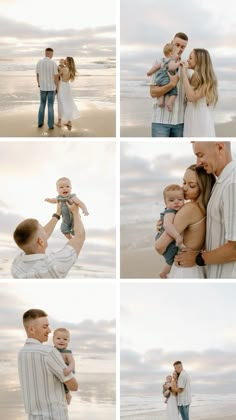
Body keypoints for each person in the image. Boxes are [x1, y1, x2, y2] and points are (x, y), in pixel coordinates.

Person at [175, 142, 236, 278]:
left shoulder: (232, 184)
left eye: (200, 155)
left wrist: (198, 258)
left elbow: (235, 248)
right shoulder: (221, 183)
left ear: (219, 147)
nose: (198, 163)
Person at [155, 164, 215, 278]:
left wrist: (163, 230)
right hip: (196, 268)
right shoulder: (204, 209)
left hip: (184, 269)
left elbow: (159, 246)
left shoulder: (189, 209)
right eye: (184, 182)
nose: (184, 188)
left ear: (203, 188)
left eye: (191, 185)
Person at [18, 309, 78, 420]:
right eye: (45, 327)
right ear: (31, 329)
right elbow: (74, 386)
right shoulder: (49, 352)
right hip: (54, 416)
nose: (49, 331)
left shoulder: (21, 353)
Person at [11, 201, 85, 278]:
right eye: (42, 228)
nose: (44, 229)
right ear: (41, 242)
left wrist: (57, 215)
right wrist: (75, 212)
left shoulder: (17, 263)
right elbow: (80, 237)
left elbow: (38, 237)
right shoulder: (53, 267)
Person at [150, 32, 188, 137]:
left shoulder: (186, 67)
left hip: (180, 122)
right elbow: (153, 92)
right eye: (177, 45)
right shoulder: (159, 63)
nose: (180, 49)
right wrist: (171, 85)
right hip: (160, 122)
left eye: (183, 47)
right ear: (171, 43)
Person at [181, 49, 218, 137]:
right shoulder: (201, 77)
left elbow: (191, 97)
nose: (187, 60)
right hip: (197, 115)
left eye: (190, 58)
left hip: (198, 116)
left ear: (199, 61)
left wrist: (184, 73)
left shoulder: (201, 78)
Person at [155, 184, 185, 278]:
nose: (176, 202)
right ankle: (163, 274)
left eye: (180, 199)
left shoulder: (176, 210)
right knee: (171, 260)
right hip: (168, 244)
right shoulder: (170, 212)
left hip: (167, 241)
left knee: (170, 261)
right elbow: (167, 225)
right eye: (171, 200)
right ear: (166, 202)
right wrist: (177, 236)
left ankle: (164, 274)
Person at [147, 43, 180, 112]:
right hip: (166, 80)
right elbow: (172, 67)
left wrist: (149, 72)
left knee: (161, 93)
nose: (178, 55)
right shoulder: (171, 61)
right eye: (177, 53)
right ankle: (169, 103)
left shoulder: (162, 61)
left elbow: (155, 67)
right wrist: (178, 64)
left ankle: (161, 102)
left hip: (159, 81)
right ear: (171, 54)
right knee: (174, 93)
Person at [36, 47, 59, 129]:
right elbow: (56, 76)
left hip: (42, 87)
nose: (52, 55)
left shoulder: (39, 62)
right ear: (50, 53)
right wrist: (57, 87)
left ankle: (40, 123)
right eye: (52, 54)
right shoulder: (53, 63)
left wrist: (39, 84)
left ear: (45, 53)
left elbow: (37, 75)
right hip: (51, 88)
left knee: (42, 104)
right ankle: (50, 125)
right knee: (50, 106)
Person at [53, 327, 75, 405]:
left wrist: (69, 370)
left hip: (66, 371)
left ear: (68, 341)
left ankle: (68, 395)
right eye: (58, 338)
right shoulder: (51, 350)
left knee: (65, 386)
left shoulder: (67, 352)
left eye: (65, 339)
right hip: (57, 371)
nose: (61, 341)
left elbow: (72, 363)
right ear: (53, 340)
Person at [56, 57, 80, 129]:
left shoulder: (64, 69)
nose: (65, 61)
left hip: (62, 86)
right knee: (69, 103)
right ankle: (69, 122)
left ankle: (59, 122)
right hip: (67, 86)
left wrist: (58, 67)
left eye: (66, 60)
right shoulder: (71, 70)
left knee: (60, 103)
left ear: (68, 61)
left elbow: (56, 76)